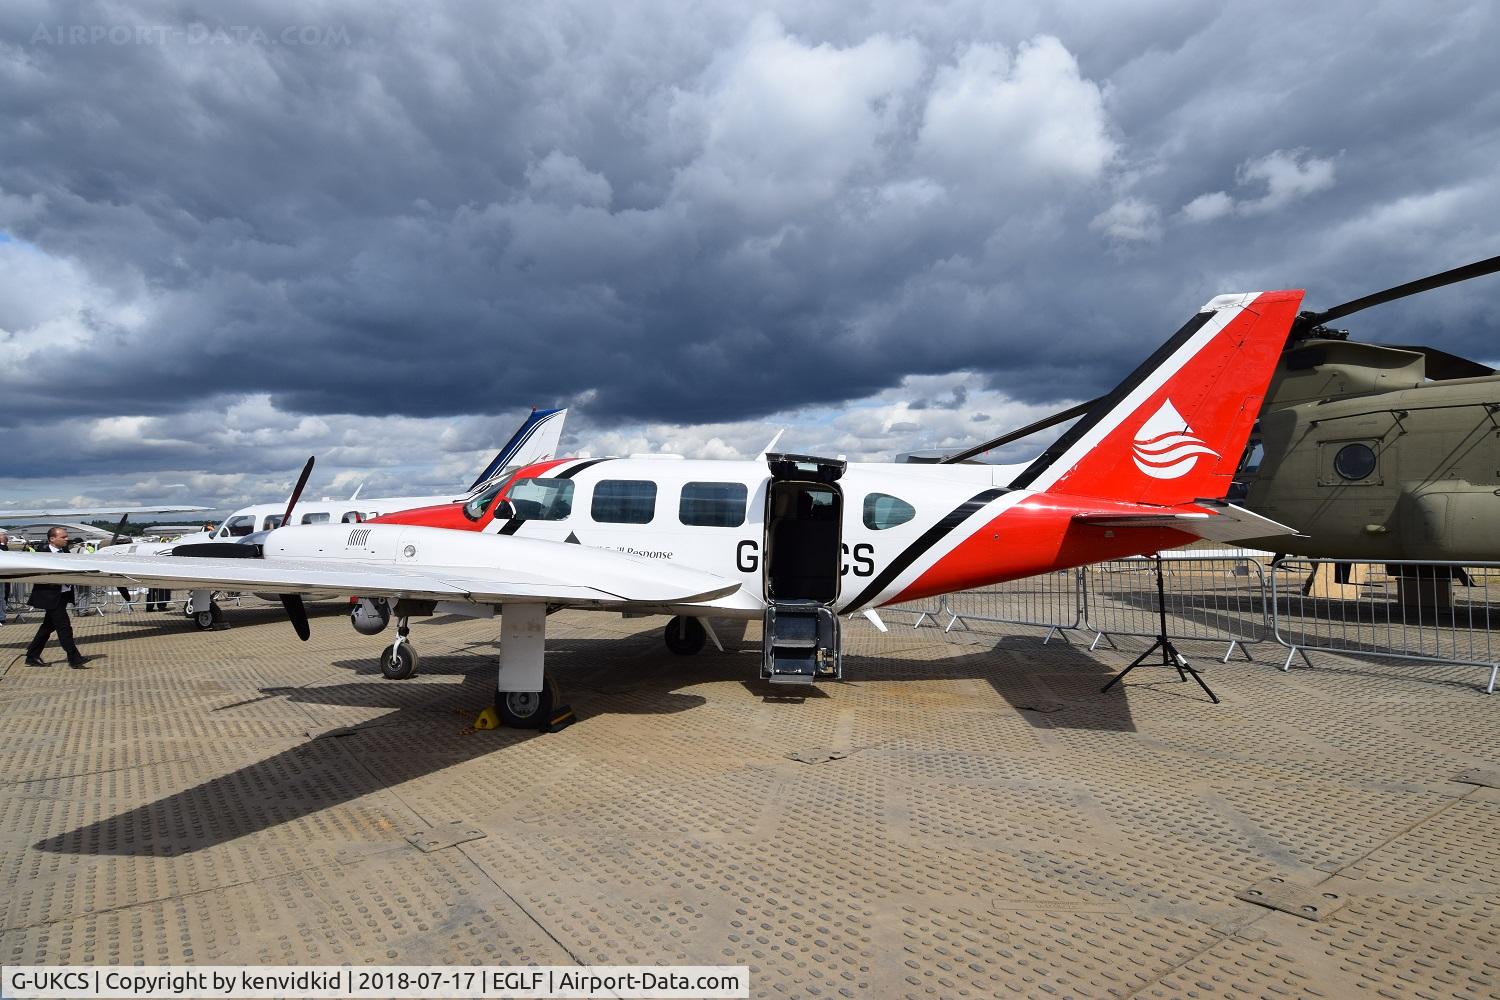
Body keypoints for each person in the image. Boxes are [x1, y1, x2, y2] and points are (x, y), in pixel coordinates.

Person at [24, 527, 96, 668]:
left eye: (66, 536)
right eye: (63, 537)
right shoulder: (42, 553)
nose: (66, 539)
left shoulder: (66, 551)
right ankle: (74, 659)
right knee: (64, 628)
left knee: (46, 628)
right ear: (52, 539)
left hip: (63, 595)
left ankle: (32, 656)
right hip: (50, 597)